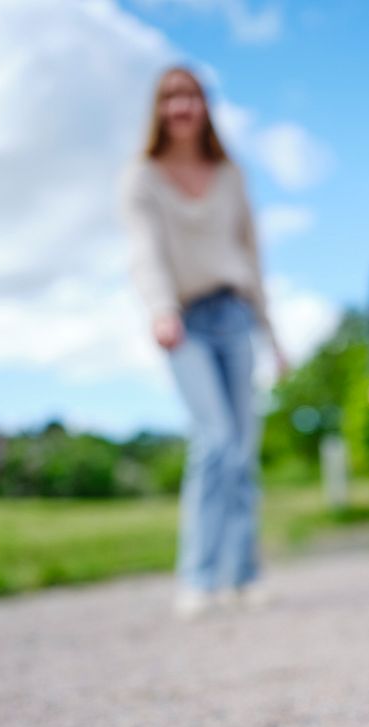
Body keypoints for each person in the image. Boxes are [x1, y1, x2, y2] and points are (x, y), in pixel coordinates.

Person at [121, 66, 286, 618]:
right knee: (214, 440)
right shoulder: (142, 177)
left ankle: (244, 572)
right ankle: (198, 575)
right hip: (184, 320)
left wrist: (273, 335)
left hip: (236, 313)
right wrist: (161, 310)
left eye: (190, 96)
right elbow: (144, 251)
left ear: (205, 106)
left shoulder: (231, 176)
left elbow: (253, 258)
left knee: (241, 450)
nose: (182, 106)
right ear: (159, 109)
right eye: (171, 97)